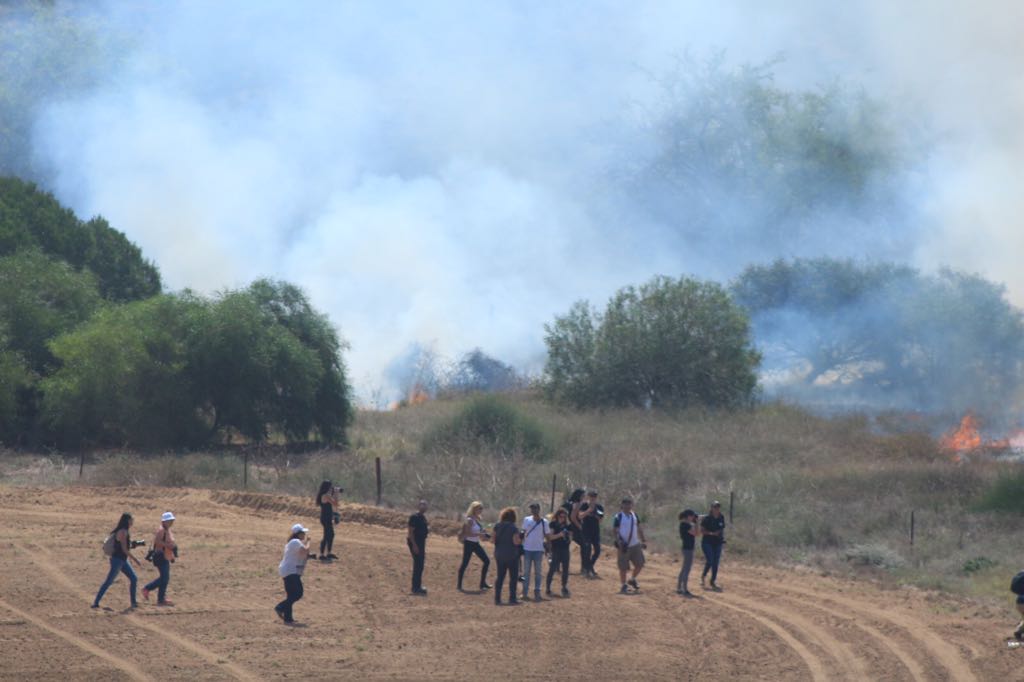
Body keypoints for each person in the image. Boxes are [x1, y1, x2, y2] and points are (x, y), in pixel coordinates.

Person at [92, 512, 142, 609]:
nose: (133, 522)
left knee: (134, 578)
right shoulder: (123, 532)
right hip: (118, 560)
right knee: (109, 581)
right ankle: (96, 602)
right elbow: (124, 549)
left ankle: (133, 602)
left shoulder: (124, 531)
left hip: (122, 560)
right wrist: (135, 559)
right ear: (127, 521)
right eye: (132, 520)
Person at [275, 523, 309, 624]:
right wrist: (308, 542)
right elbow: (305, 551)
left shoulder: (293, 542)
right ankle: (280, 607)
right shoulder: (295, 541)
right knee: (298, 593)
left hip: (287, 570)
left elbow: (302, 555)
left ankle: (288, 618)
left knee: (291, 595)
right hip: (290, 571)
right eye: (303, 533)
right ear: (298, 534)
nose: (304, 535)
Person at [142, 511, 177, 606]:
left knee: (164, 578)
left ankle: (161, 598)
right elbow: (157, 542)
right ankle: (149, 590)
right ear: (164, 521)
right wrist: (169, 546)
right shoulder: (161, 530)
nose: (171, 522)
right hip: (160, 556)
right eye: (169, 520)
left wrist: (172, 554)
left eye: (172, 520)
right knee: (164, 578)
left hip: (165, 556)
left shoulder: (166, 530)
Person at [613, 497, 646, 594]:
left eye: (629, 504)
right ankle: (623, 585)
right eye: (625, 504)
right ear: (622, 505)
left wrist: (643, 540)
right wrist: (619, 541)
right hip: (624, 545)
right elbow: (615, 530)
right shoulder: (618, 516)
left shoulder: (634, 515)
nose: (627, 506)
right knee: (623, 567)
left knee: (640, 564)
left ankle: (632, 579)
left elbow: (639, 528)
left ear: (632, 505)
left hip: (635, 544)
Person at [457, 501, 492, 592]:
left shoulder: (477, 519)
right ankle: (459, 584)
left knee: (487, 561)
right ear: (474, 509)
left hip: (475, 543)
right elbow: (468, 533)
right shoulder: (470, 520)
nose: (481, 510)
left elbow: (478, 533)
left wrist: (484, 535)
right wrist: (480, 534)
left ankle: (482, 583)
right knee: (465, 563)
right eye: (479, 508)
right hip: (469, 544)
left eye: (481, 508)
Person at [491, 507, 522, 605]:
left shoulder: (497, 526)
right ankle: (512, 598)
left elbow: (493, 540)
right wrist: (521, 539)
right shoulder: (514, 528)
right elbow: (516, 542)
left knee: (500, 576)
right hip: (511, 555)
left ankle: (497, 598)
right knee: (513, 577)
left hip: (499, 554)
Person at [520, 502, 550, 602]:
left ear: (539, 509)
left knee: (538, 572)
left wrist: (548, 548)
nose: (533, 510)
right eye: (532, 509)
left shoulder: (544, 522)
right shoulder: (526, 520)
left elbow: (547, 536)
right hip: (527, 549)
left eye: (535, 508)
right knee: (526, 572)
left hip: (538, 550)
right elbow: (523, 533)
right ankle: (524, 592)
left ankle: (537, 591)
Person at [578, 489, 605, 578]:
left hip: (595, 531)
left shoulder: (599, 507)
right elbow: (580, 516)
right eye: (591, 496)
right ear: (588, 497)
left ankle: (590, 566)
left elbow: (601, 519)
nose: (593, 498)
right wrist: (588, 511)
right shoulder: (584, 505)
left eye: (594, 496)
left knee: (597, 551)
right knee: (587, 550)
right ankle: (586, 569)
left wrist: (595, 514)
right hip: (586, 531)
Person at [546, 508, 573, 597]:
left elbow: (571, 538)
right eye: (561, 516)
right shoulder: (553, 524)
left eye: (564, 517)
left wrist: (568, 536)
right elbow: (550, 537)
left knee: (565, 569)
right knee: (552, 569)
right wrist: (560, 535)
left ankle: (564, 587)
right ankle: (548, 588)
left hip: (565, 549)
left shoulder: (568, 525)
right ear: (557, 516)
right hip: (556, 549)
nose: (563, 519)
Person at [700, 501, 726, 590]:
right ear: (711, 508)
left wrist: (720, 536)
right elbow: (702, 530)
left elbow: (722, 528)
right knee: (710, 560)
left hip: (717, 543)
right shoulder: (707, 518)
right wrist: (711, 533)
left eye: (718, 507)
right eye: (715, 507)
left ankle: (713, 581)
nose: (717, 509)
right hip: (707, 542)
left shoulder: (721, 517)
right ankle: (703, 576)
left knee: (716, 563)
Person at [407, 499, 429, 595]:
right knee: (418, 564)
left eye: (425, 505)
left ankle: (418, 586)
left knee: (420, 565)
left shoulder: (423, 517)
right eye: (422, 504)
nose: (423, 506)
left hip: (421, 542)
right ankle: (415, 588)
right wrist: (414, 545)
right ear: (418, 506)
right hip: (415, 542)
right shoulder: (414, 517)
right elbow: (410, 532)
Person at [677, 509, 699, 596]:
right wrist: (697, 523)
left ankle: (679, 587)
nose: (693, 517)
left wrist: (694, 522)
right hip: (688, 549)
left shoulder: (685, 524)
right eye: (692, 516)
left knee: (684, 568)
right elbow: (696, 533)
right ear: (689, 516)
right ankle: (684, 588)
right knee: (687, 569)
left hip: (687, 548)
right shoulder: (685, 525)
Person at [316, 480, 340, 560]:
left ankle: (329, 553)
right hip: (325, 518)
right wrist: (336, 493)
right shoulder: (325, 496)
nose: (331, 488)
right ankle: (322, 554)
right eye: (330, 487)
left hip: (327, 517)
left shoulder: (326, 495)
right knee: (326, 536)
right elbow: (335, 504)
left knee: (331, 535)